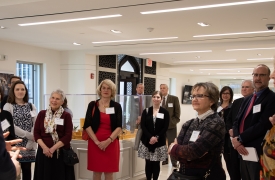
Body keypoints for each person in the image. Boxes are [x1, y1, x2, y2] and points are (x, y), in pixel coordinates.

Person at [168, 82, 226, 180]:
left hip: (208, 176)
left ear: (212, 100)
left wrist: (175, 148)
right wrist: (187, 152)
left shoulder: (216, 123)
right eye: (193, 96)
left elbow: (193, 151)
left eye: (200, 96)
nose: (194, 99)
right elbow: (176, 157)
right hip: (185, 176)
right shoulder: (188, 123)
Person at [232, 64, 275, 180]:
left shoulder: (272, 98)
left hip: (257, 151)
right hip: (242, 150)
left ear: (268, 78)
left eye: (262, 75)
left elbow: (263, 124)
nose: (258, 78)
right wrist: (236, 140)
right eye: (255, 75)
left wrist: (240, 139)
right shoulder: (248, 99)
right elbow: (237, 121)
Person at [83, 79, 122, 180]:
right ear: (100, 90)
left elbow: (119, 126)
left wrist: (108, 141)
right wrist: (97, 142)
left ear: (112, 91)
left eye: (109, 88)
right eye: (103, 88)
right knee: (96, 172)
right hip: (95, 143)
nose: (106, 90)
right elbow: (87, 125)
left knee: (109, 173)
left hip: (111, 142)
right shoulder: (92, 105)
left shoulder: (117, 106)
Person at [33, 89, 75, 180]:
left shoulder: (66, 115)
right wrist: (45, 148)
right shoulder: (42, 114)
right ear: (49, 99)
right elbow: (36, 133)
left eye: (57, 99)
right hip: (43, 153)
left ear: (62, 102)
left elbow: (68, 136)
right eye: (52, 98)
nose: (54, 100)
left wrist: (52, 149)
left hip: (60, 154)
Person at [3, 80, 37, 180]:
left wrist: (31, 138)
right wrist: (27, 135)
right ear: (13, 91)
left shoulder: (31, 106)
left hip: (30, 143)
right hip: (15, 143)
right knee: (15, 171)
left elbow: (35, 122)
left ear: (26, 91)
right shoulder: (8, 106)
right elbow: (9, 126)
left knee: (27, 170)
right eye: (17, 89)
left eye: (22, 89)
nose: (20, 91)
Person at [138, 90, 170, 180]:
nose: (156, 99)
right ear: (152, 98)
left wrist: (156, 137)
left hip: (159, 142)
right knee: (148, 163)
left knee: (156, 164)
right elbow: (143, 126)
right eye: (154, 97)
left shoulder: (165, 112)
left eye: (158, 97)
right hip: (147, 141)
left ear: (161, 99)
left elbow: (165, 127)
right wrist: (150, 137)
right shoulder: (146, 111)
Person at [226, 80, 254, 180]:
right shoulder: (237, 102)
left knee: (248, 171)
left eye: (247, 87)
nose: (244, 89)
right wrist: (231, 129)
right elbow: (230, 119)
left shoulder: (255, 102)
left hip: (248, 141)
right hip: (234, 140)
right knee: (234, 167)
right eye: (242, 87)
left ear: (253, 89)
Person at [160, 83, 180, 167]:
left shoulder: (174, 99)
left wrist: (173, 121)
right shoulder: (158, 98)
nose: (162, 89)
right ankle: (165, 159)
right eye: (161, 88)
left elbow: (177, 112)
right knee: (162, 144)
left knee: (172, 143)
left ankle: (174, 161)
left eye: (164, 88)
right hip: (160, 126)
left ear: (167, 89)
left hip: (171, 126)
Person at [217, 86, 233, 178]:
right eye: (223, 93)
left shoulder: (233, 106)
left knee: (229, 162)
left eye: (227, 93)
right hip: (216, 138)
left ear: (230, 95)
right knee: (216, 163)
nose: (225, 95)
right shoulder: (216, 106)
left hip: (227, 138)